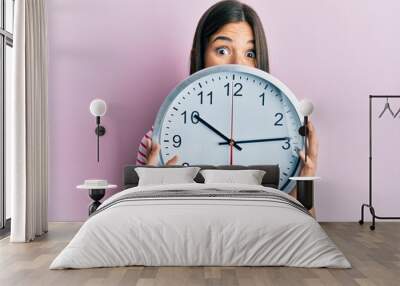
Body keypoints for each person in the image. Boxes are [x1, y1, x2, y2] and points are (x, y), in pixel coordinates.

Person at [135, 0, 319, 215]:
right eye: (222, 50)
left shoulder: (288, 143)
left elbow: (303, 228)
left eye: (250, 53)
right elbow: (145, 227)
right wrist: (151, 188)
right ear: (198, 56)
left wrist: (306, 175)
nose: (237, 63)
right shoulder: (155, 142)